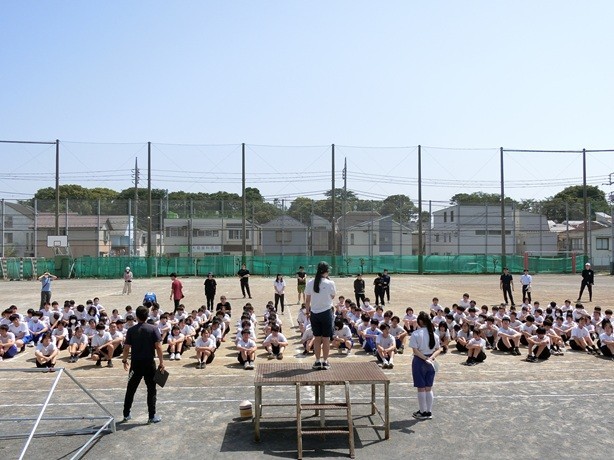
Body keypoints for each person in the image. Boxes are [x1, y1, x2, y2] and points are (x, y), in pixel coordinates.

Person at [121, 305, 165, 424]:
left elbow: (126, 348)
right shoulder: (153, 329)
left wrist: (124, 360)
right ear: (147, 316)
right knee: (151, 389)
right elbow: (158, 346)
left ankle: (126, 414)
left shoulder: (131, 330)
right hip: (149, 363)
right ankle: (151, 416)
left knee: (130, 389)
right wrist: (161, 362)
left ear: (136, 316)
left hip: (135, 364)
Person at [410, 312, 442, 420]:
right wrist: (431, 358)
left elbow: (415, 350)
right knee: (428, 388)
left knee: (421, 388)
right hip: (431, 362)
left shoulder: (416, 334)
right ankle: (428, 411)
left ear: (420, 321)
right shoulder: (434, 334)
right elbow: (439, 349)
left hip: (420, 361)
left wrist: (425, 358)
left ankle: (422, 411)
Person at [305, 261, 336, 370]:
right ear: (326, 271)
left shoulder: (310, 282)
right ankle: (325, 361)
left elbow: (307, 300)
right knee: (326, 339)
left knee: (317, 338)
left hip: (314, 313)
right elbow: (333, 296)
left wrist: (307, 312)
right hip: (326, 313)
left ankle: (318, 361)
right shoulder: (330, 283)